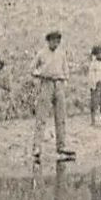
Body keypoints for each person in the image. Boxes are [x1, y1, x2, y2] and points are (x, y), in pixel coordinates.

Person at [30, 29, 76, 162]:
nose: (56, 43)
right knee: (41, 117)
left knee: (61, 117)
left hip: (59, 85)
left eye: (58, 41)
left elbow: (66, 70)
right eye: (54, 40)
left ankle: (61, 146)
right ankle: (37, 147)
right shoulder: (41, 53)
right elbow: (32, 68)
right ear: (48, 41)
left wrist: (63, 79)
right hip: (46, 84)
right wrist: (41, 74)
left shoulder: (61, 54)